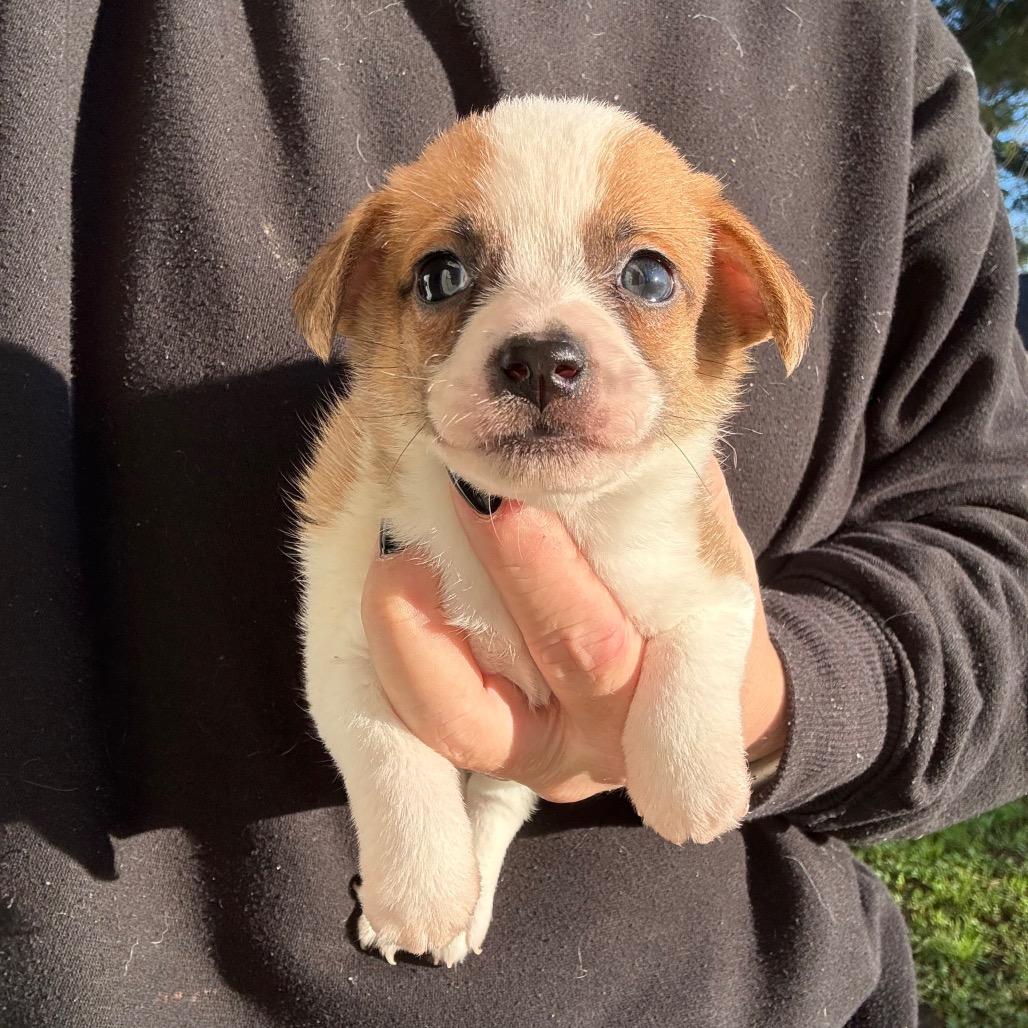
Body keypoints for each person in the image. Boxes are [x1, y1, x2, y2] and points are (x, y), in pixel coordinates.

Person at [2, 1, 1025, 1025]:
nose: (541, 347)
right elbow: (350, 664)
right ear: (360, 296)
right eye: (445, 276)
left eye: (644, 275)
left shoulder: (874, 48)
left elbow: (984, 541)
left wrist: (758, 701)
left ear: (743, 301)